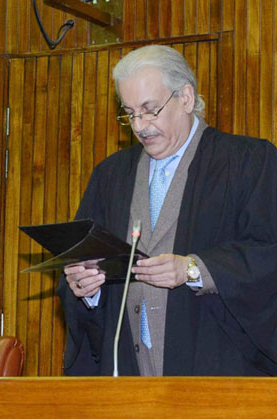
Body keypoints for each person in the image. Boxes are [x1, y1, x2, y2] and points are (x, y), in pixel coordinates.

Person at [58, 45, 277, 376]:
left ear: (186, 98)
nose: (140, 125)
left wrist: (194, 269)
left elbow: (268, 253)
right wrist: (87, 288)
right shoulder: (111, 176)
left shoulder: (249, 162)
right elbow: (82, 259)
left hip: (218, 367)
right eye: (129, 113)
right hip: (130, 370)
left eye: (150, 109)